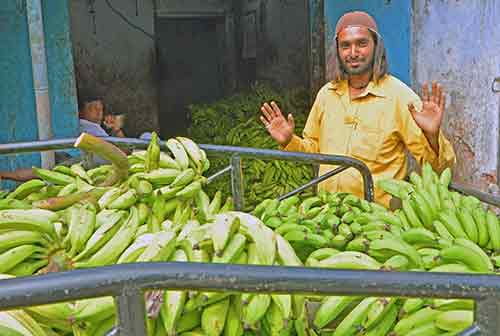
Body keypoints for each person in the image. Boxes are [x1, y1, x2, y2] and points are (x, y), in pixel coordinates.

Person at [260, 11, 456, 206]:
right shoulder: (327, 95)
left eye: (362, 43)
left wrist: (432, 137)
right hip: (327, 216)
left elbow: (438, 170)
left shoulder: (399, 97)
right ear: (337, 50)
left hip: (376, 221)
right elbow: (315, 151)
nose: (353, 53)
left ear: (376, 47)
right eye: (345, 45)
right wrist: (290, 141)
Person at [0, 97, 126, 183]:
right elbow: (122, 152)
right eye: (93, 108)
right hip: (86, 163)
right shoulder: (87, 126)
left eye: (101, 109)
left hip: (87, 165)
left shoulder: (98, 128)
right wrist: (117, 129)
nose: (99, 113)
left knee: (43, 173)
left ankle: (6, 174)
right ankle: (6, 174)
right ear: (80, 111)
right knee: (44, 173)